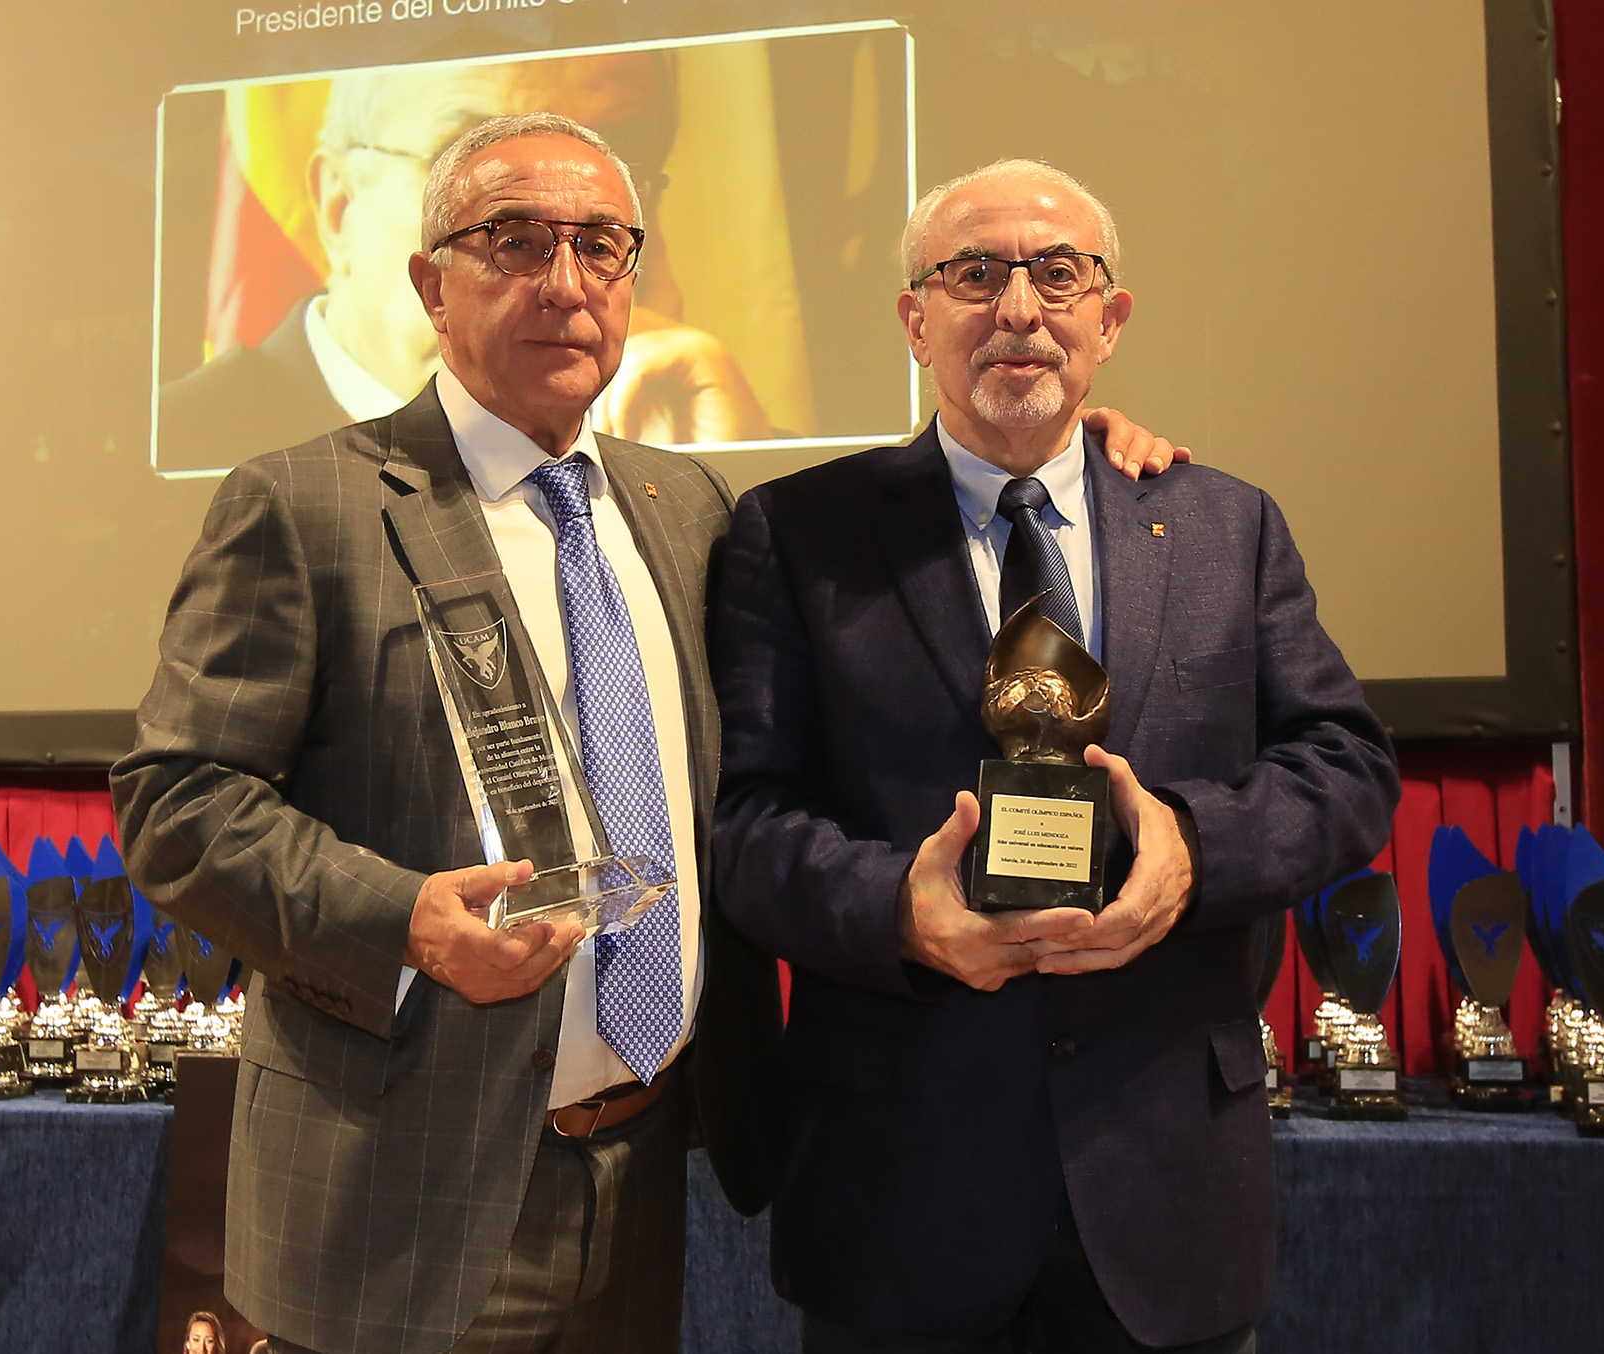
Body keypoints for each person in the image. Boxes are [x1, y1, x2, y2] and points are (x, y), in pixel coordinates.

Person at [119, 107, 1188, 1354]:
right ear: (430, 282)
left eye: (600, 245)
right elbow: (178, 800)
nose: (563, 282)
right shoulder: (307, 505)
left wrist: (1071, 458)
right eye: (510, 241)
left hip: (637, 1176)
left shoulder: (683, 505)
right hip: (400, 1182)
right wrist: (400, 920)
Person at [709, 159, 1402, 1352]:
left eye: (1057, 273)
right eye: (972, 273)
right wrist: (896, 909)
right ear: (913, 319)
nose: (1017, 307)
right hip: (898, 1188)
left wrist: (1188, 847)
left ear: (1108, 317)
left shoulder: (1226, 523)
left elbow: (1343, 765)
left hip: (1163, 1184)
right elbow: (743, 819)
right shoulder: (796, 533)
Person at [156, 56, 772, 473]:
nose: (562, 279)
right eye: (482, 183)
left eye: (611, 172)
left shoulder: (712, 449)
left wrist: (735, 480)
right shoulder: (184, 443)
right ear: (339, 207)